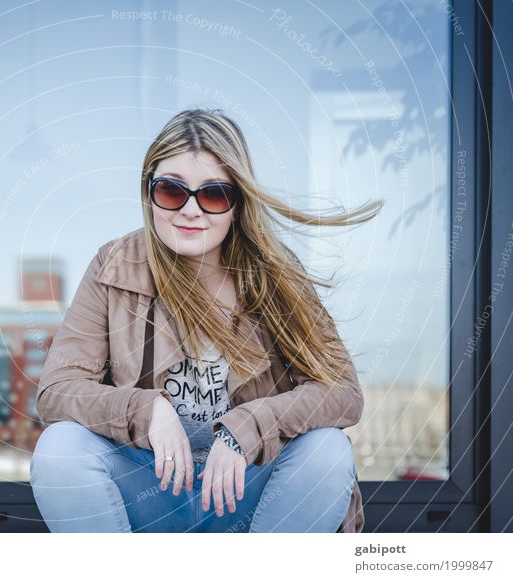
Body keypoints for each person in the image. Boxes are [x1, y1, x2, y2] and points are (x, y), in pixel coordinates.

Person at [30, 108, 383, 532]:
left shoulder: (274, 274)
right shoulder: (114, 267)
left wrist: (250, 426)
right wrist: (147, 411)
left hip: (246, 491)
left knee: (327, 451)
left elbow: (341, 392)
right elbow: (58, 390)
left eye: (213, 194)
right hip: (152, 492)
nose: (191, 211)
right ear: (149, 193)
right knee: (59, 451)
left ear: (238, 203)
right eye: (172, 191)